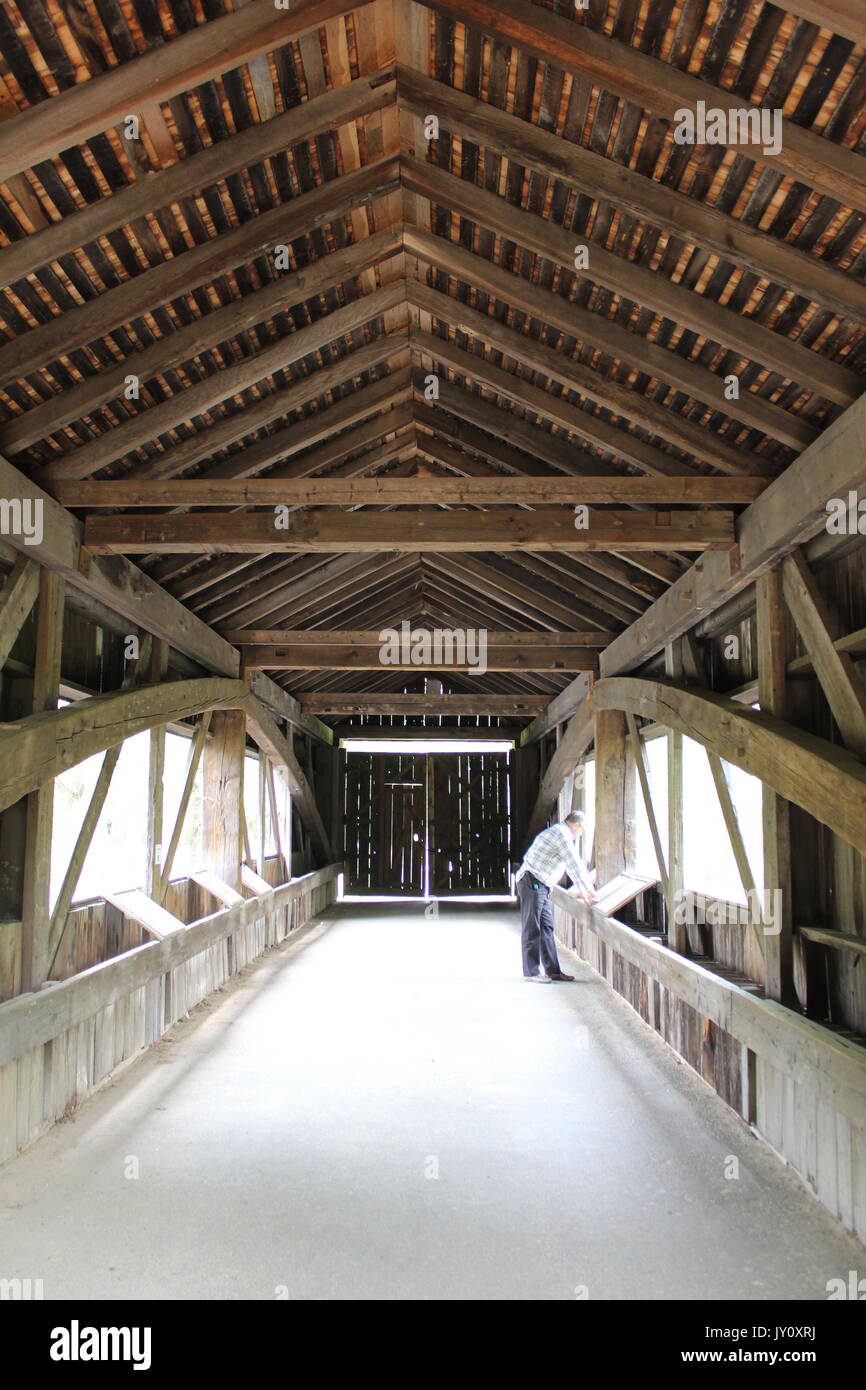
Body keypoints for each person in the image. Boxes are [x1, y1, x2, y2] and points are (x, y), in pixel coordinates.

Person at [515, 810, 597, 982]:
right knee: (533, 926)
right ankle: (531, 972)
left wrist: (582, 891)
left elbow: (570, 866)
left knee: (546, 927)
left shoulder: (559, 832)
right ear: (576, 825)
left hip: (541, 884)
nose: (580, 835)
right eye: (581, 831)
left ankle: (553, 970)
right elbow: (574, 864)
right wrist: (589, 891)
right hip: (533, 881)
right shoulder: (562, 835)